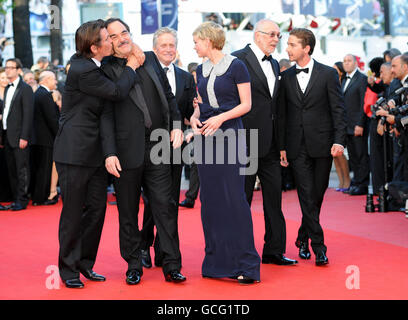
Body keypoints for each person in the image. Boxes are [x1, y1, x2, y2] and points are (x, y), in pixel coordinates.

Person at [53, 19, 142, 289]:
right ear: (94, 47)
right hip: (74, 151)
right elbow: (116, 92)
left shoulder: (92, 65)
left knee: (97, 211)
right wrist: (132, 66)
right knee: (72, 213)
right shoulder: (83, 70)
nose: (111, 41)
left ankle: (85, 265)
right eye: (107, 38)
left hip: (95, 153)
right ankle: (68, 269)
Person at [101, 18, 186, 285]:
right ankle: (133, 264)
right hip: (125, 151)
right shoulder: (105, 68)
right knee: (128, 211)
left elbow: (170, 97)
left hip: (158, 145)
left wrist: (176, 125)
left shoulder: (149, 58)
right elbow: (106, 112)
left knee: (165, 206)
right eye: (114, 36)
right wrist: (109, 152)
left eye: (124, 32)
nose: (122, 38)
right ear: (108, 41)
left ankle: (172, 264)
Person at [190, 21, 261, 284]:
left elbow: (246, 104)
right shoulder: (199, 69)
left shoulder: (236, 66)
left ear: (208, 41)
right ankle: (217, 264)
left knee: (234, 200)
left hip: (230, 134)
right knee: (210, 202)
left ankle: (246, 264)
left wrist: (221, 119)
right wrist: (194, 117)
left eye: (196, 41)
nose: (194, 45)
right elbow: (201, 105)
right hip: (206, 138)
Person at [232, 19, 297, 266]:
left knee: (274, 200)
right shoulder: (237, 59)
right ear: (257, 35)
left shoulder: (274, 64)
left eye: (279, 35)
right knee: (242, 200)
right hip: (245, 142)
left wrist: (281, 145)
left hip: (270, 144)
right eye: (272, 34)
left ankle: (274, 250)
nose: (276, 39)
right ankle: (240, 252)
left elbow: (276, 108)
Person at [278, 28, 346, 266]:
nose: (287, 48)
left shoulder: (328, 74)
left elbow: (338, 109)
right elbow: (282, 115)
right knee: (306, 194)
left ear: (306, 48)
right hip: (296, 146)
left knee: (317, 194)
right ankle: (319, 247)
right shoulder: (285, 78)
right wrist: (282, 146)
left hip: (323, 144)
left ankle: (301, 237)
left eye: (292, 45)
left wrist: (339, 140)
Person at [140, 27, 196, 269]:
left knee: (170, 199)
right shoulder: (144, 73)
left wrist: (191, 127)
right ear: (154, 49)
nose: (168, 49)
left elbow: (191, 110)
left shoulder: (185, 77)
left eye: (172, 45)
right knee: (154, 200)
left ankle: (164, 249)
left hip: (176, 146)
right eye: (163, 45)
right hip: (150, 146)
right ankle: (144, 244)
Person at [0, 58, 34, 211]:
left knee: (22, 170)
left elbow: (28, 114)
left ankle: (22, 199)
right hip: (7, 135)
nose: (7, 70)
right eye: (6, 67)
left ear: (18, 70)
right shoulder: (7, 88)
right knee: (12, 169)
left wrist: (24, 136)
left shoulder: (25, 88)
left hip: (20, 136)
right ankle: (15, 199)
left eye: (11, 67)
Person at [31, 71, 60, 205]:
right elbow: (52, 119)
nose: (56, 82)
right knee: (45, 168)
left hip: (39, 139)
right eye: (54, 79)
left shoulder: (38, 94)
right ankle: (41, 197)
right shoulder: (45, 95)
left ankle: (38, 197)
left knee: (41, 168)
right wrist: (60, 135)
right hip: (46, 139)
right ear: (47, 80)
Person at [341, 54, 369, 195]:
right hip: (346, 126)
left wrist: (360, 124)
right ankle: (356, 182)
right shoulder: (342, 80)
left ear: (356, 63)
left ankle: (362, 184)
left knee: (361, 155)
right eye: (344, 61)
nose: (346, 63)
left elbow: (364, 104)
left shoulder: (362, 79)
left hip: (357, 125)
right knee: (352, 156)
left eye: (349, 61)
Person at [332, 61, 351, 192]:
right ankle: (341, 181)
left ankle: (347, 181)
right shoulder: (331, 82)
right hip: (331, 121)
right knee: (334, 154)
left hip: (342, 122)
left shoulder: (344, 83)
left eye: (335, 70)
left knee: (340, 153)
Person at [0, 67, 12, 206]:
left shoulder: (11, 91)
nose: (4, 80)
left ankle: (8, 195)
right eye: (2, 78)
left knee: (7, 165)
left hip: (9, 135)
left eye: (5, 77)